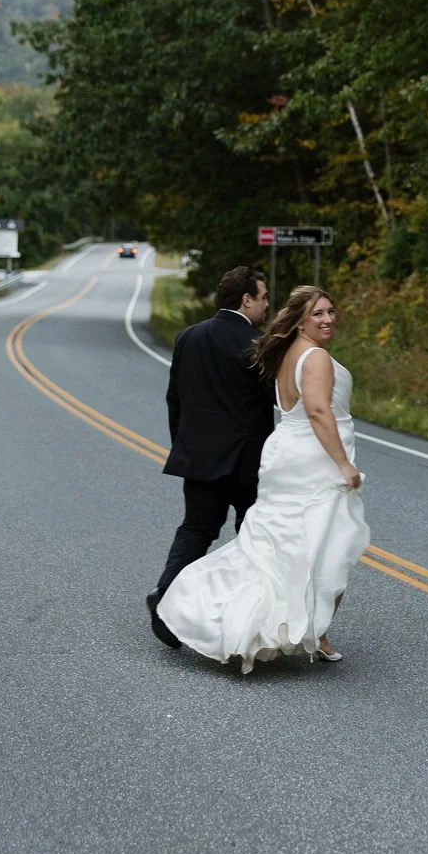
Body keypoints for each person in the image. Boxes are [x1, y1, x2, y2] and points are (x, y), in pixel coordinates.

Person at [156, 285, 369, 671]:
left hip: (286, 452)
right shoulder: (316, 358)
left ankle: (311, 630)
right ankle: (307, 628)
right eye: (317, 313)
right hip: (314, 459)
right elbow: (319, 412)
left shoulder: (286, 353)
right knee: (329, 544)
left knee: (283, 545)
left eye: (330, 311)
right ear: (300, 319)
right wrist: (343, 464)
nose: (327, 319)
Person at [147, 265, 275, 649]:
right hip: (247, 464)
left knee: (196, 530)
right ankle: (241, 617)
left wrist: (186, 445)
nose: (268, 305)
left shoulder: (189, 337)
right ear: (246, 299)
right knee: (253, 538)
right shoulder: (257, 344)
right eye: (264, 297)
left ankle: (165, 598)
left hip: (200, 458)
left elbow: (175, 399)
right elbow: (272, 400)